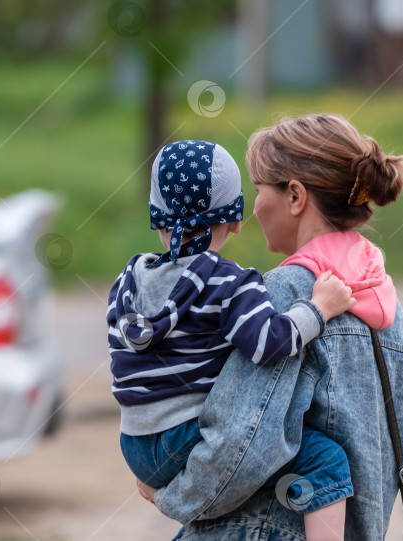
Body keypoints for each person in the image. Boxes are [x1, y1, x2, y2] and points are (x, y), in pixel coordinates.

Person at [138, 114, 403, 541]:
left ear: (295, 196)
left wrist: (169, 493)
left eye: (257, 189)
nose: (252, 209)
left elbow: (239, 442)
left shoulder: (279, 298)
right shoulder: (387, 307)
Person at [108, 139, 358, 540]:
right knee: (327, 460)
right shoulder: (230, 283)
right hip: (186, 439)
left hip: (135, 447)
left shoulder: (127, 284)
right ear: (236, 220)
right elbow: (270, 343)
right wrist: (319, 309)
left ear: (157, 220)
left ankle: (171, 494)